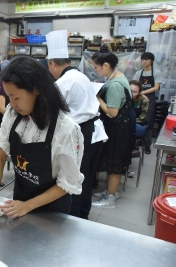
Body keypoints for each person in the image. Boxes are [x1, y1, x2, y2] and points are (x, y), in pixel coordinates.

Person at [0, 56, 84, 218]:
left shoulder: (65, 128)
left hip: (52, 209)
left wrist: (28, 206)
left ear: (36, 89)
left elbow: (67, 182)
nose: (11, 104)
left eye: (16, 97)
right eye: (9, 97)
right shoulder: (13, 115)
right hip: (20, 199)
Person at [48, 57, 101, 219]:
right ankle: (84, 213)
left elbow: (52, 112)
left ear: (53, 64)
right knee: (88, 177)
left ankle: (74, 218)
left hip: (79, 134)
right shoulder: (82, 75)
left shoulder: (62, 83)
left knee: (74, 177)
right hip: (94, 131)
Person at [91, 45, 133, 209]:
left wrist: (97, 97)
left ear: (106, 65)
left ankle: (111, 198)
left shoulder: (115, 85)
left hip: (117, 130)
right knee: (111, 162)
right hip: (118, 129)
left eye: (96, 66)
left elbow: (113, 112)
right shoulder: (117, 77)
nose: (95, 70)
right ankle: (109, 191)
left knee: (114, 165)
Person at [133, 52, 162, 154]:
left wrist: (142, 92)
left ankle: (147, 145)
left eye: (146, 59)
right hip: (138, 99)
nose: (144, 61)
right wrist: (139, 94)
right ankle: (135, 142)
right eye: (142, 59)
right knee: (136, 119)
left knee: (149, 121)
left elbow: (156, 87)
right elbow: (134, 86)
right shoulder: (138, 73)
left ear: (152, 61)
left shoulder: (156, 72)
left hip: (150, 99)